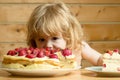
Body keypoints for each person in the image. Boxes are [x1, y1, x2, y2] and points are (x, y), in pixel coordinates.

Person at [26, 2, 103, 67]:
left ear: (68, 35)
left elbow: (99, 59)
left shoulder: (78, 47)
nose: (48, 45)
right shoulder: (35, 54)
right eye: (41, 39)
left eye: (55, 38)